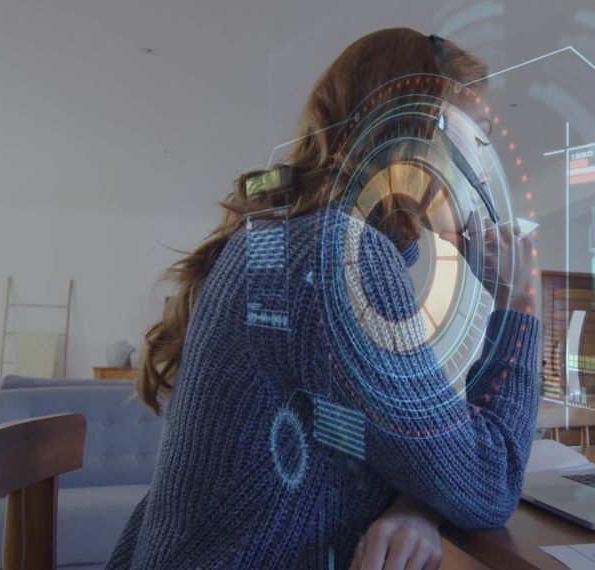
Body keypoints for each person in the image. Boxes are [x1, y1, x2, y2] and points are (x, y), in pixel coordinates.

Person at [107, 28, 539, 569]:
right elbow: (487, 482)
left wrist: (417, 503)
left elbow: (410, 448)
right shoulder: (337, 256)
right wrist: (518, 308)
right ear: (421, 133)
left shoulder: (297, 237)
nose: (483, 166)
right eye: (480, 137)